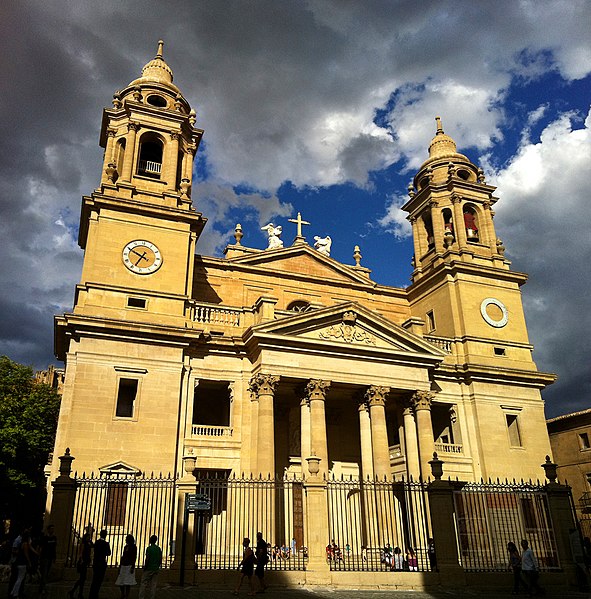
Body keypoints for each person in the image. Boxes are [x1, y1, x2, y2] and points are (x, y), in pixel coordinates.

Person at [69, 525, 94, 599]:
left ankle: (76, 592)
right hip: (83, 561)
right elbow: (81, 552)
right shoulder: (84, 543)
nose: (89, 538)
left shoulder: (89, 543)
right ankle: (76, 592)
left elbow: (93, 546)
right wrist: (81, 560)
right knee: (82, 579)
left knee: (82, 579)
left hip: (86, 561)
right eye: (88, 537)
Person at [88, 529, 111, 599]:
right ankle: (95, 594)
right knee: (99, 580)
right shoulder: (106, 544)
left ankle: (91, 595)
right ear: (105, 535)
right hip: (102, 564)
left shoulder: (96, 543)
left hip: (96, 563)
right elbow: (109, 553)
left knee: (94, 579)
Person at [10, 531, 33, 598]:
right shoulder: (25, 544)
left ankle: (13, 592)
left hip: (19, 562)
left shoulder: (21, 543)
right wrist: (29, 562)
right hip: (22, 563)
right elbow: (26, 554)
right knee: (19, 579)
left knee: (19, 578)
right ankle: (15, 594)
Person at [138, 535, 162, 599]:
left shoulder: (149, 548)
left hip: (149, 568)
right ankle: (152, 597)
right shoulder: (158, 549)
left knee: (143, 583)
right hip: (156, 568)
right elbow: (160, 559)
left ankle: (141, 597)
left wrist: (145, 567)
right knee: (153, 584)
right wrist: (158, 566)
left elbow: (147, 558)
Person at [115, 534, 137, 598]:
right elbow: (123, 556)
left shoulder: (134, 547)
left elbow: (134, 557)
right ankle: (123, 593)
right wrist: (120, 565)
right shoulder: (125, 547)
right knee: (121, 581)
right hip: (123, 565)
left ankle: (126, 595)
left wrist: (133, 566)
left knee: (128, 582)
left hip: (129, 565)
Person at [39, 524, 57, 594]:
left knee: (46, 574)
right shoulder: (44, 538)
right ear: (48, 530)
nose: (52, 530)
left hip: (50, 557)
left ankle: (42, 587)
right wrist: (40, 557)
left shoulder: (54, 538)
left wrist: (54, 557)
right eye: (51, 529)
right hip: (45, 557)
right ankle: (43, 588)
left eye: (53, 529)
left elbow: (54, 548)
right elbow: (41, 547)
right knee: (44, 573)